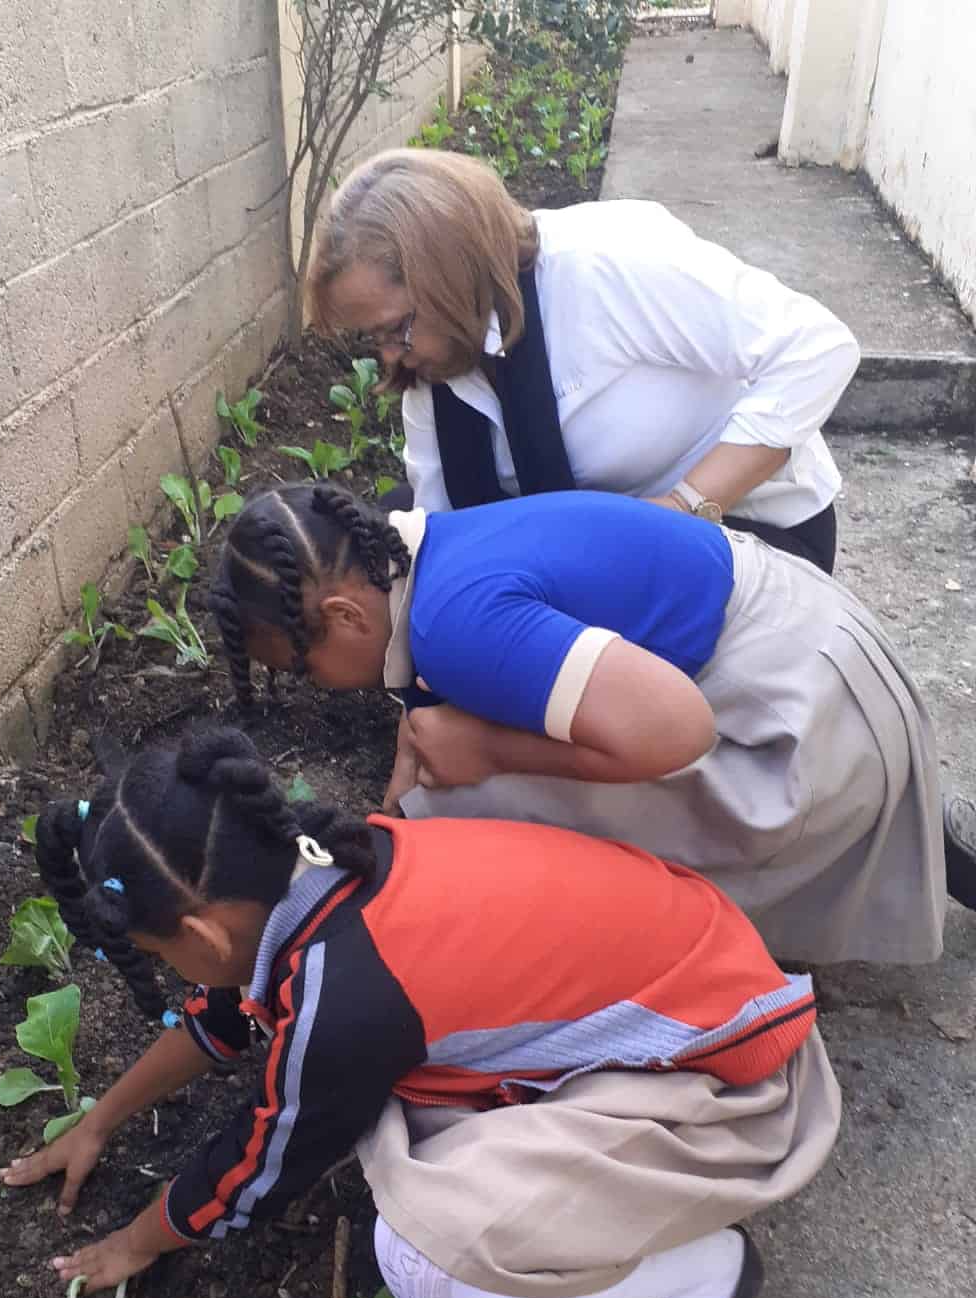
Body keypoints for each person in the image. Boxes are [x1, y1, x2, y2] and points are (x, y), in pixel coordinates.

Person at [1, 727, 840, 1298]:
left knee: (426, 1268)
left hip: (729, 1074)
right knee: (398, 1105)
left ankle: (703, 1273)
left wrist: (142, 1239)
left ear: (197, 933)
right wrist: (100, 1120)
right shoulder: (323, 862)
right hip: (703, 962)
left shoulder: (346, 999)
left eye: (159, 955)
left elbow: (261, 1165)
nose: (171, 972)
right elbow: (226, 1014)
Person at [210, 483, 976, 964]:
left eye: (299, 668)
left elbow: (677, 730)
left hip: (806, 728)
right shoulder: (423, 557)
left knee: (466, 806)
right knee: (436, 791)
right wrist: (380, 834)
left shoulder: (454, 622)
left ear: (344, 617)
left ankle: (666, 958)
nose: (309, 686)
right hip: (810, 648)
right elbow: (420, 732)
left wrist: (488, 751)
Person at [307, 148, 860, 575]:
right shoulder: (439, 363)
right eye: (372, 337)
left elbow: (817, 348)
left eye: (395, 328)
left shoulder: (604, 268)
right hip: (603, 541)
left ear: (449, 279)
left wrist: (681, 508)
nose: (387, 356)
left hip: (751, 533)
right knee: (402, 523)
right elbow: (444, 520)